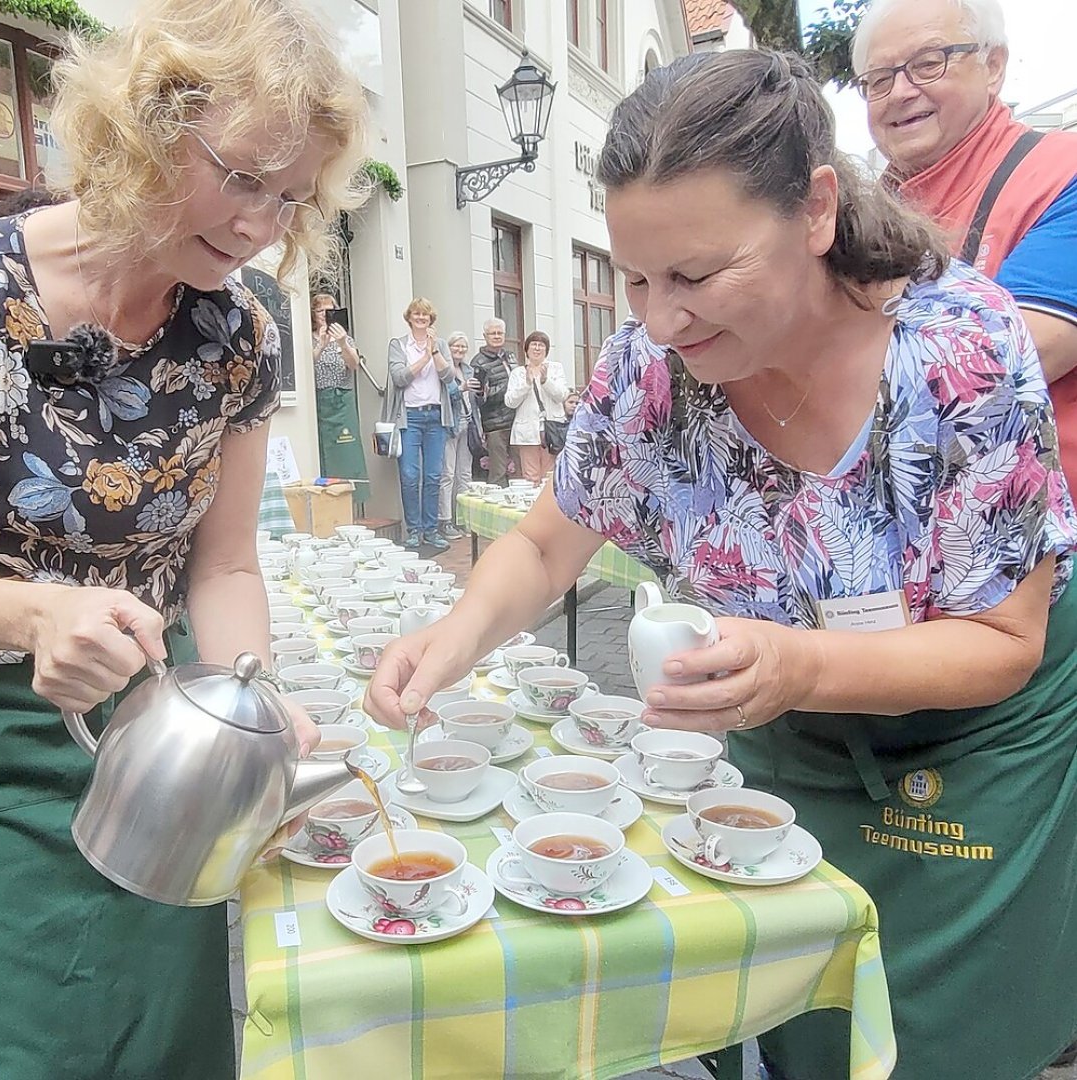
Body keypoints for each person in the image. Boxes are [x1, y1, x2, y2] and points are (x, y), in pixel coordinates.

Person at [367, 49, 1077, 1080]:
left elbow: (1006, 641)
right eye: (637, 279)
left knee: (935, 1041)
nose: (660, 319)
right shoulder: (652, 372)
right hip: (788, 733)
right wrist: (452, 636)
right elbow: (540, 541)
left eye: (697, 276)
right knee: (790, 1019)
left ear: (818, 210)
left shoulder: (961, 349)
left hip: (971, 754)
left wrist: (799, 668)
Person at [0, 0, 362, 1074]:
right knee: (7, 1050)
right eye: (244, 176)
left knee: (158, 1037)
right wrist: (38, 612)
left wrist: (251, 694)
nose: (261, 225)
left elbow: (226, 563)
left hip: (149, 736)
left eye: (290, 199)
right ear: (148, 122)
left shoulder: (239, 329)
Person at [855, 0, 1077, 489]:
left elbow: (1007, 362)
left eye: (928, 63)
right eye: (878, 79)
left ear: (993, 66)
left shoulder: (1062, 174)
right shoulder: (863, 215)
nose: (900, 92)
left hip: (1049, 535)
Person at [383, 298, 462, 550]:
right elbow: (399, 377)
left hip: (436, 417)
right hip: (410, 417)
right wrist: (423, 358)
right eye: (416, 314)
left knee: (433, 475)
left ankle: (430, 530)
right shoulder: (398, 345)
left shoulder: (439, 345)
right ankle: (414, 530)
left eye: (425, 315)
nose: (421, 318)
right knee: (409, 475)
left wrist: (434, 352)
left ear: (431, 320)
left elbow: (449, 376)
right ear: (409, 318)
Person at [310, 291, 369, 487]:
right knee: (323, 451)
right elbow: (305, 368)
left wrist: (342, 343)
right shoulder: (307, 338)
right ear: (313, 314)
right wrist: (320, 345)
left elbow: (354, 365)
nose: (326, 315)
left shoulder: (346, 339)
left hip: (343, 401)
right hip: (319, 401)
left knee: (347, 449)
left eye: (330, 311)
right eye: (321, 311)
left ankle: (351, 494)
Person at [503, 330, 569, 481]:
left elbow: (562, 395)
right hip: (527, 431)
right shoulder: (518, 373)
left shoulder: (556, 369)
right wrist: (526, 384)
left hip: (552, 430)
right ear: (526, 349)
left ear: (546, 350)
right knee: (530, 476)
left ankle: (547, 504)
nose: (537, 348)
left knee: (550, 477)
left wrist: (546, 381)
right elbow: (510, 402)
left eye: (541, 345)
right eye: (533, 345)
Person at [436, 330, 475, 539]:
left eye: (463, 347)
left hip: (468, 423)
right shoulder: (444, 369)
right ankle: (445, 520)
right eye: (456, 346)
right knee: (447, 474)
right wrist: (462, 387)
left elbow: (474, 401)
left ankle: (464, 520)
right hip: (450, 423)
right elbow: (447, 394)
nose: (459, 350)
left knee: (465, 474)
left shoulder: (468, 369)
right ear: (448, 348)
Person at [470, 317, 516, 483]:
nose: (497, 336)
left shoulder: (511, 356)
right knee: (499, 473)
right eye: (493, 333)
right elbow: (480, 398)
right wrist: (509, 387)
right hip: (495, 426)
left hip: (516, 422)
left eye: (500, 333)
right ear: (485, 336)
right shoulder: (478, 362)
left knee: (517, 473)